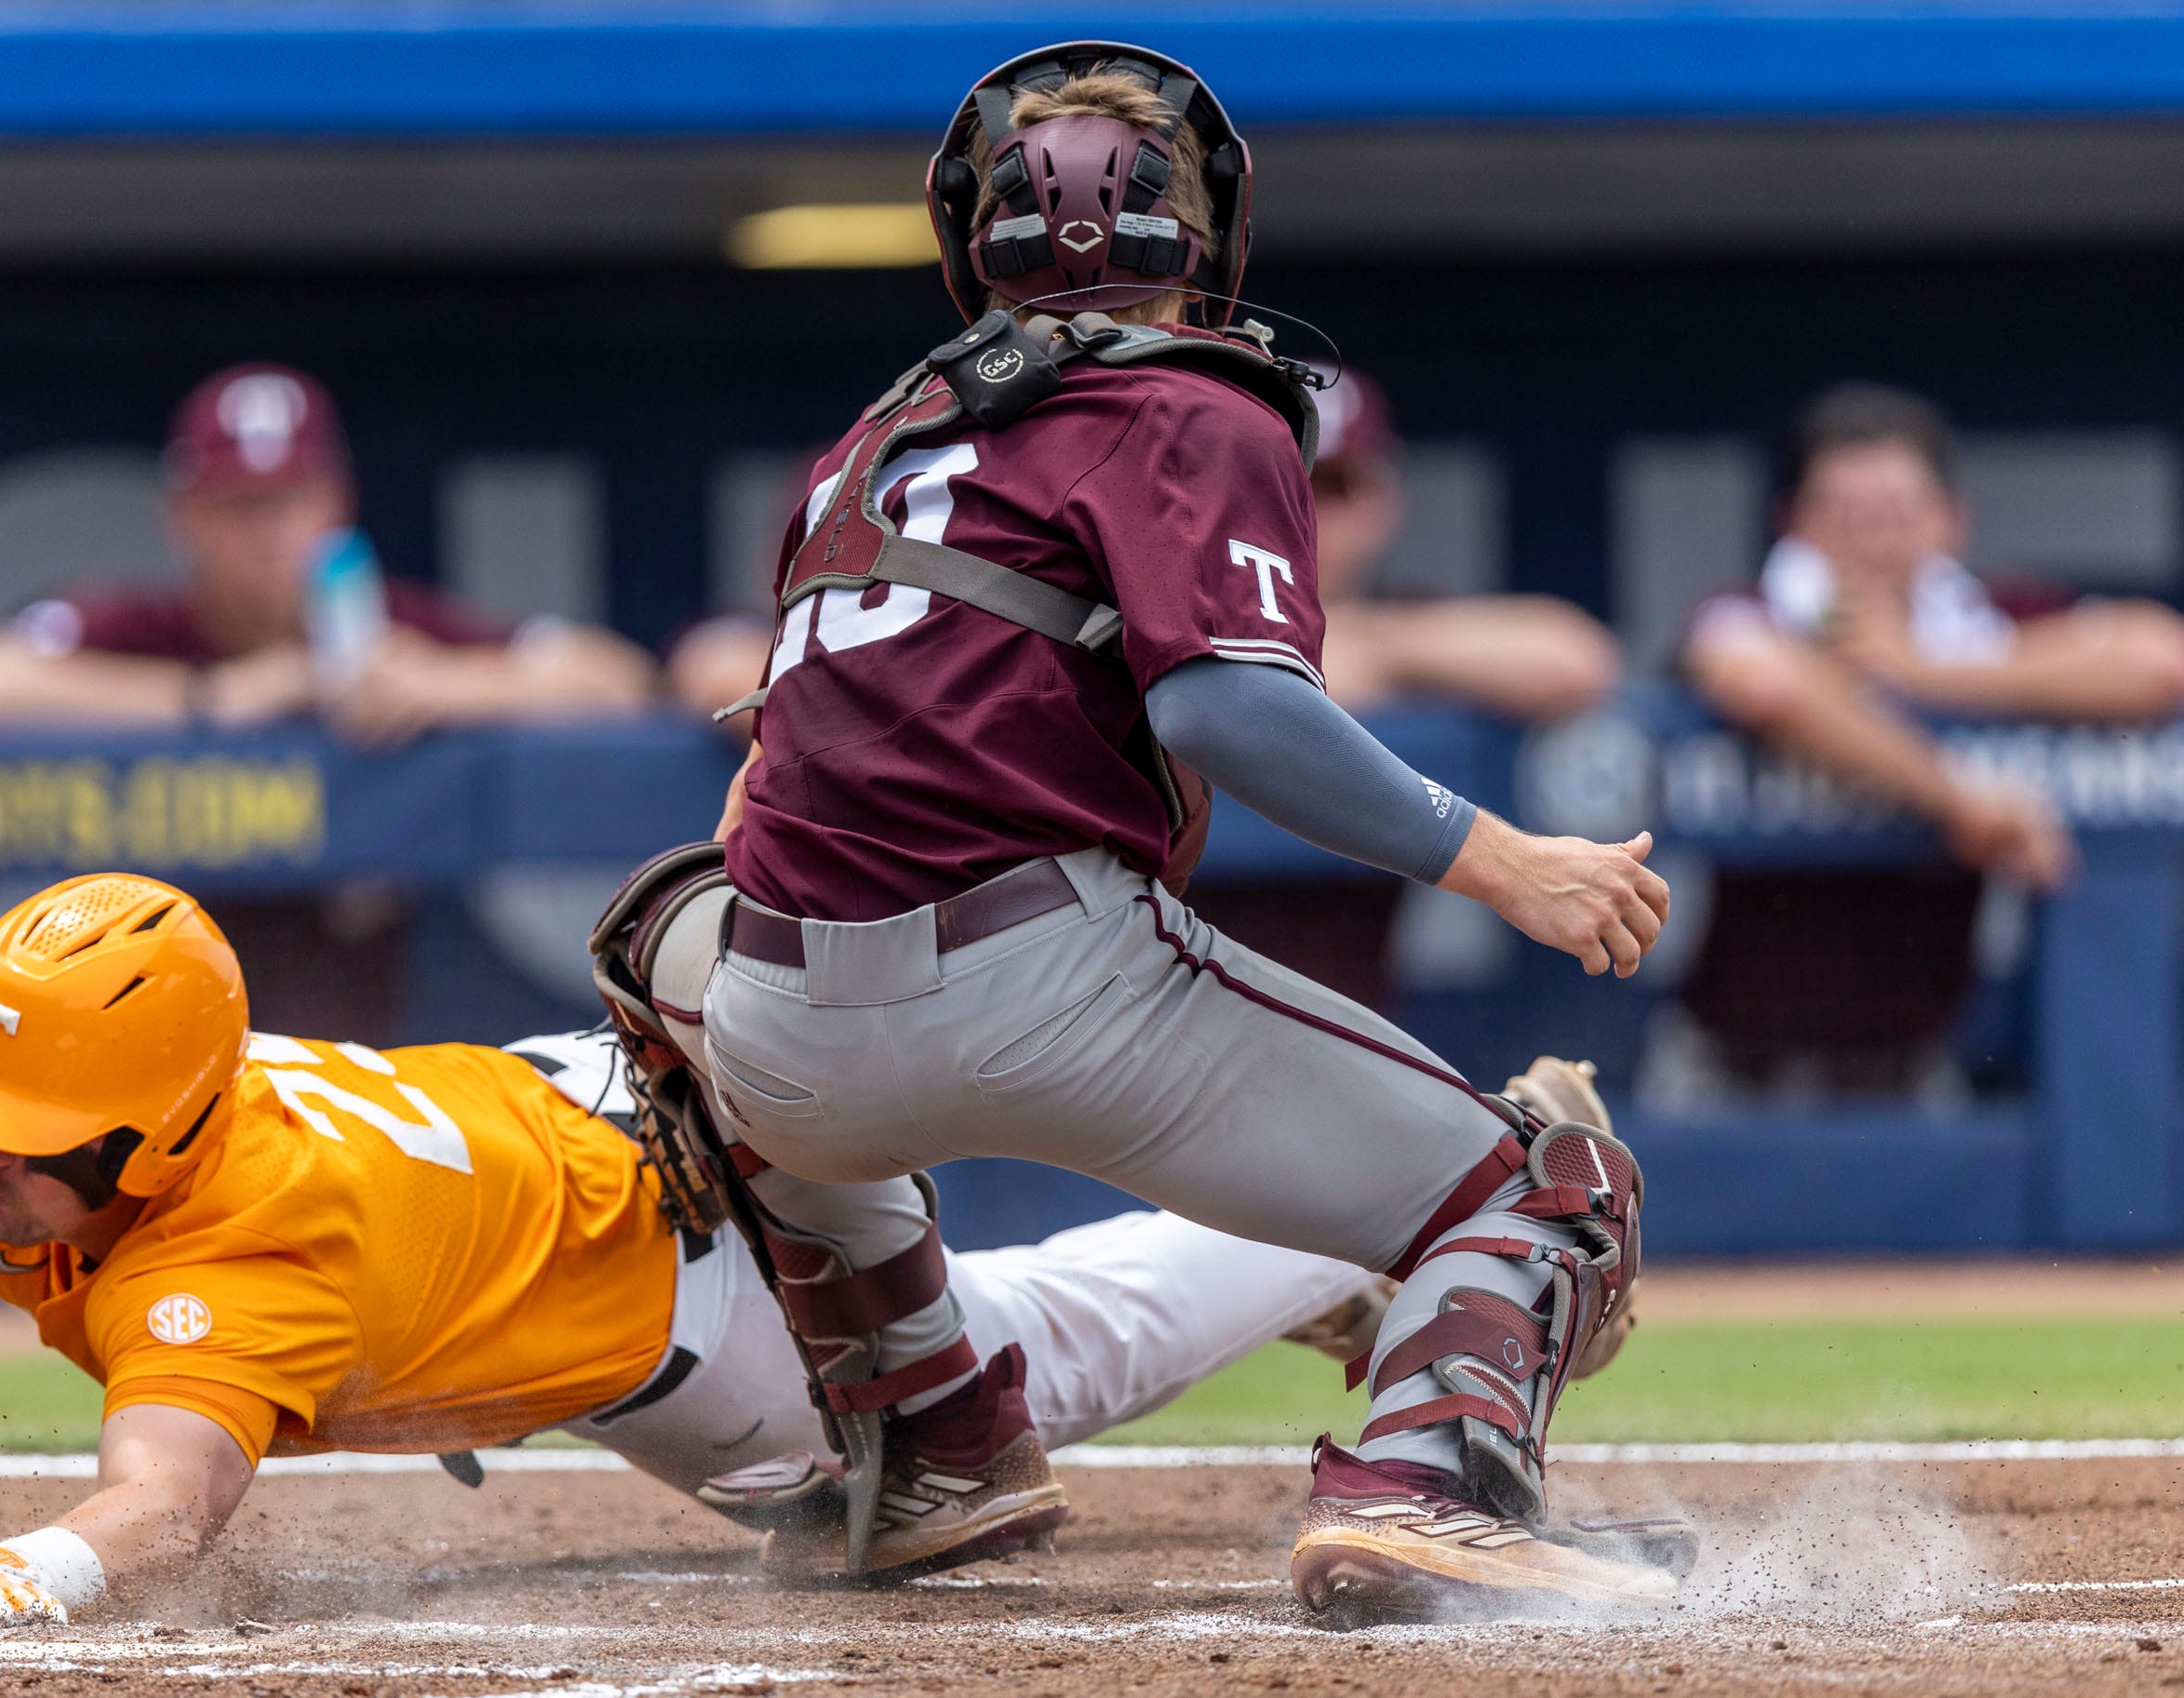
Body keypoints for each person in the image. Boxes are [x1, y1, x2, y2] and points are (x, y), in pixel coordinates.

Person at [657, 43, 1683, 1621]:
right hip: (1037, 974)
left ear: (973, 233)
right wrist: (1507, 862)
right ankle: (1425, 1483)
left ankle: (929, 1442)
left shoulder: (869, 445)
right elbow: (1228, 713)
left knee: (683, 950)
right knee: (1545, 1181)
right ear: (1198, 238)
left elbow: (750, 794)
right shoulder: (1190, 403)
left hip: (781, 1047)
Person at [0, 873, 1396, 1629]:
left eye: (31, 1139)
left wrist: (46, 1572)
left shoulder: (246, 1245)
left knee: (1021, 1359)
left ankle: (1406, 1209)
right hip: (554, 1108)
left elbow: (164, 1504)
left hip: (668, 1284)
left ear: (168, 1135)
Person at [0, 363, 659, 1042]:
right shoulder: (149, 626)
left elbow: (616, 678)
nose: (268, 533)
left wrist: (443, 685)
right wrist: (217, 696)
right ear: (184, 516)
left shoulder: (386, 629)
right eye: (238, 507)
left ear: (334, 503)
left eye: (288, 501)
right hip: (149, 1037)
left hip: (346, 1040)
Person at [1660, 383, 2184, 1102]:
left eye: (1897, 513)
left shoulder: (1981, 622)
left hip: (1912, 1070)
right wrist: (1960, 800)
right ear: (1793, 524)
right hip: (1726, 1072)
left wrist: (1923, 670)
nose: (1873, 540)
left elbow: (2168, 661)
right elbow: (1766, 687)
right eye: (1845, 515)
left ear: (1951, 520)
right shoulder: (1751, 610)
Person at [1186, 361, 1622, 1009]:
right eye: (1277, 476)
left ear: (1379, 503)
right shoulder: (1174, 606)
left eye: (1331, 484)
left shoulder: (1401, 622)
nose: (1302, 505)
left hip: (1342, 1028)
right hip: (1167, 1015)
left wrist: (1371, 646)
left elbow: (1577, 659)